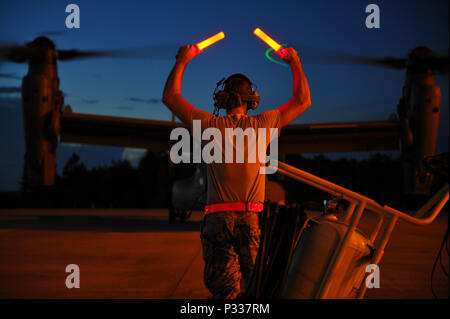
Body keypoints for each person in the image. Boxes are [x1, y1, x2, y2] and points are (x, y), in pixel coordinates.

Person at [162, 44, 311, 299]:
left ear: (222, 99)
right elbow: (302, 101)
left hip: (217, 219)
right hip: (251, 217)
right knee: (259, 290)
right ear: (252, 100)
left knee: (225, 294)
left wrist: (182, 60)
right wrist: (294, 62)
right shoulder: (263, 124)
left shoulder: (209, 125)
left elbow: (171, 98)